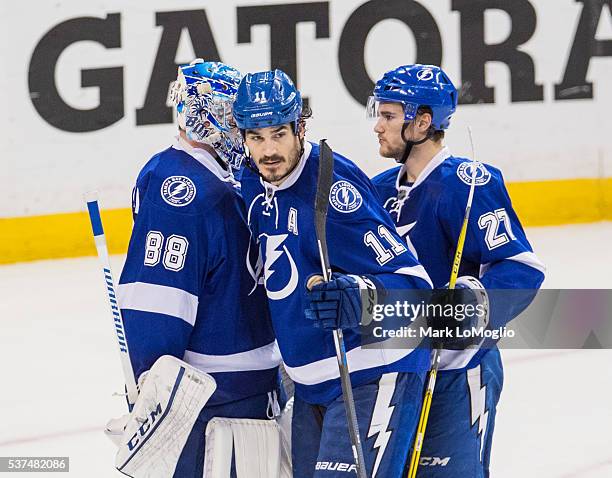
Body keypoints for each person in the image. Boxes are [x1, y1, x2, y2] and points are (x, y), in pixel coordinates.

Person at [233, 69, 433, 478]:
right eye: (256, 137)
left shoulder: (334, 189)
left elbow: (416, 288)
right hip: (309, 388)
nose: (268, 150)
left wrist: (360, 295)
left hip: (370, 372)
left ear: (300, 128)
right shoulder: (252, 184)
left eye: (278, 134)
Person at [369, 64, 546, 477]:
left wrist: (472, 304)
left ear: (423, 121)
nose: (378, 126)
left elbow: (521, 269)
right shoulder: (376, 190)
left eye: (389, 116)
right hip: (392, 375)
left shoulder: (467, 184)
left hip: (455, 371)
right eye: (378, 114)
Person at [116, 59, 281, 477]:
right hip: (208, 405)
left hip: (247, 395)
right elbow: (158, 300)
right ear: (202, 115)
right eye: (230, 114)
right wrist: (155, 394)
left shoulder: (228, 176)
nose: (240, 124)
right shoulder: (181, 190)